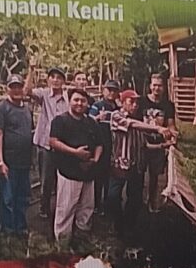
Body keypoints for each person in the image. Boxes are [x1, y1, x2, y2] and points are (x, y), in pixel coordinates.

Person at [45, 86, 110, 242]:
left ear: (87, 103)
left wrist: (95, 159)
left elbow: (100, 144)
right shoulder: (60, 121)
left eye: (83, 101)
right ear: (70, 101)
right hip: (69, 173)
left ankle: (82, 240)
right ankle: (63, 242)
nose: (79, 103)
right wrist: (75, 152)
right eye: (76, 100)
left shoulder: (91, 122)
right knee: (66, 209)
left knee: (87, 208)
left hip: (88, 173)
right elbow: (53, 141)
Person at [0, 70, 35, 236]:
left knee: (23, 197)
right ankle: (7, 230)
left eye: (19, 86)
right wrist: (0, 161)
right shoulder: (1, 109)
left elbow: (29, 133)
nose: (16, 90)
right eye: (13, 87)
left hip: (24, 161)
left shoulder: (27, 110)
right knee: (8, 198)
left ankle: (21, 228)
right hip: (9, 162)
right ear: (7, 88)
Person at [29, 67, 70, 225]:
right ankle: (44, 209)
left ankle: (60, 209)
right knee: (46, 180)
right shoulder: (44, 94)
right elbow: (27, 91)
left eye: (59, 77)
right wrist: (31, 71)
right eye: (52, 77)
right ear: (48, 79)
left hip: (63, 145)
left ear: (63, 81)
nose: (55, 80)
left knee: (62, 179)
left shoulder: (68, 98)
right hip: (45, 144)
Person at [106, 84, 146, 227]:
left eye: (137, 103)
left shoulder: (139, 120)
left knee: (135, 197)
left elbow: (144, 144)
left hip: (136, 165)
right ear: (123, 103)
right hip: (119, 164)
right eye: (131, 102)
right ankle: (117, 222)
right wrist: (158, 128)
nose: (135, 105)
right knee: (113, 195)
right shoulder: (116, 116)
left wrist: (162, 145)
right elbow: (131, 124)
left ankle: (129, 224)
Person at [140, 71, 178, 211]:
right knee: (138, 174)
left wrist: (173, 134)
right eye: (154, 85)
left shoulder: (168, 105)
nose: (157, 88)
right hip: (142, 142)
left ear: (164, 87)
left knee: (155, 175)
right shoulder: (142, 102)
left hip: (158, 143)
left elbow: (170, 123)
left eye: (160, 86)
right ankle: (137, 201)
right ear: (150, 86)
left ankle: (152, 201)